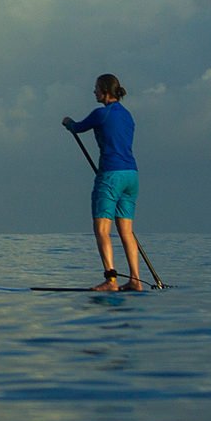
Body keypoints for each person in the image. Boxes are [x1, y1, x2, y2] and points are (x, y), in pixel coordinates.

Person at [63, 73, 145, 291]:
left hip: (111, 176)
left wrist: (68, 122)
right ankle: (135, 279)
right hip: (131, 175)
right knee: (126, 231)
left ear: (106, 91)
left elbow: (77, 128)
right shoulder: (128, 116)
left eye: (97, 88)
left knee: (102, 229)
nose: (94, 92)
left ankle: (111, 280)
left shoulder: (101, 113)